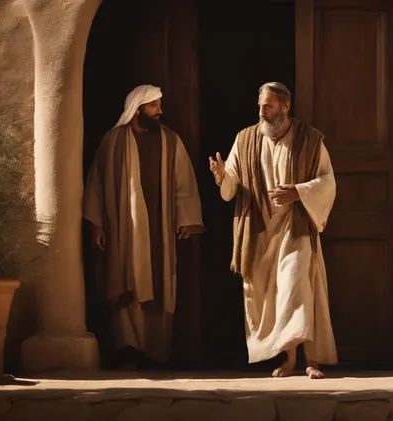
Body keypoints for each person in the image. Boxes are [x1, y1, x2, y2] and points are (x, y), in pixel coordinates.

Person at [209, 82, 338, 379]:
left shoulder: (309, 139)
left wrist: (299, 192)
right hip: (260, 229)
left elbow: (327, 180)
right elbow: (231, 185)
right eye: (260, 106)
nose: (262, 112)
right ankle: (289, 357)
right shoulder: (246, 139)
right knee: (271, 296)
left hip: (296, 227)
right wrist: (220, 177)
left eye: (268, 106)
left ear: (285, 106)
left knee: (296, 288)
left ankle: (310, 360)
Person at [83, 84, 204, 369]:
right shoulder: (112, 142)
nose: (159, 111)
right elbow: (96, 185)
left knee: (158, 282)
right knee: (125, 279)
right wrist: (97, 224)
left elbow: (183, 181)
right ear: (138, 109)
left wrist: (185, 217)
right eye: (154, 106)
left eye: (159, 105)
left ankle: (156, 351)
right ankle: (127, 348)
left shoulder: (170, 140)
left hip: (159, 227)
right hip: (123, 227)